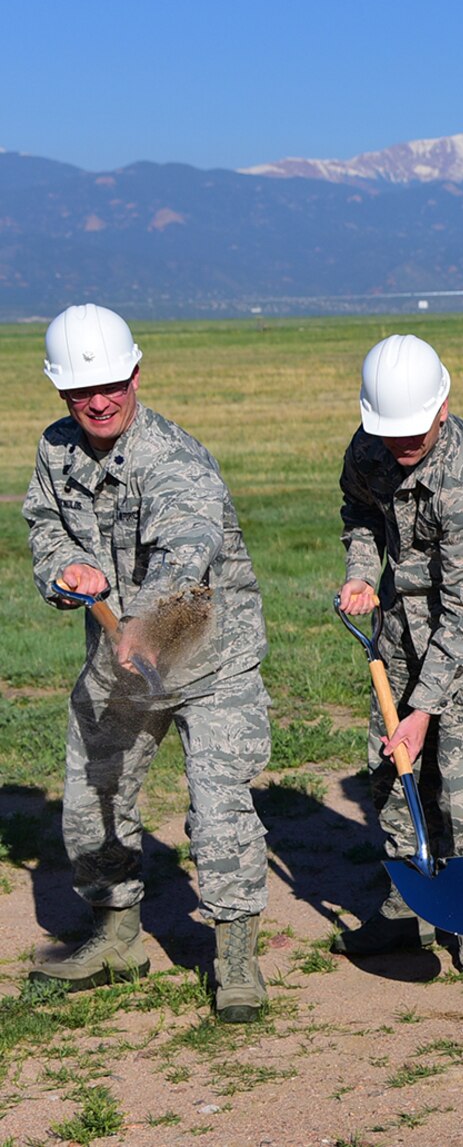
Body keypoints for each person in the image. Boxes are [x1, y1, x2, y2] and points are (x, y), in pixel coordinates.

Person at [23, 304, 275, 1022]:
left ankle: (234, 956)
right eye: (80, 390)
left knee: (218, 804)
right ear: (60, 391)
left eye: (110, 384)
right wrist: (66, 565)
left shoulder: (177, 460)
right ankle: (117, 933)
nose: (98, 401)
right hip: (117, 660)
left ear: (136, 372)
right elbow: (45, 522)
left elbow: (186, 551)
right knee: (93, 795)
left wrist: (146, 621)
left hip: (207, 659)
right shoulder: (56, 449)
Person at [333, 334, 463, 975]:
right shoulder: (371, 445)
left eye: (414, 431)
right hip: (401, 626)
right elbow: (359, 512)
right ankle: (403, 907)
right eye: (392, 433)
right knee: (393, 770)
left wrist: (421, 710)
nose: (402, 444)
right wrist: (363, 570)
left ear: (444, 405)